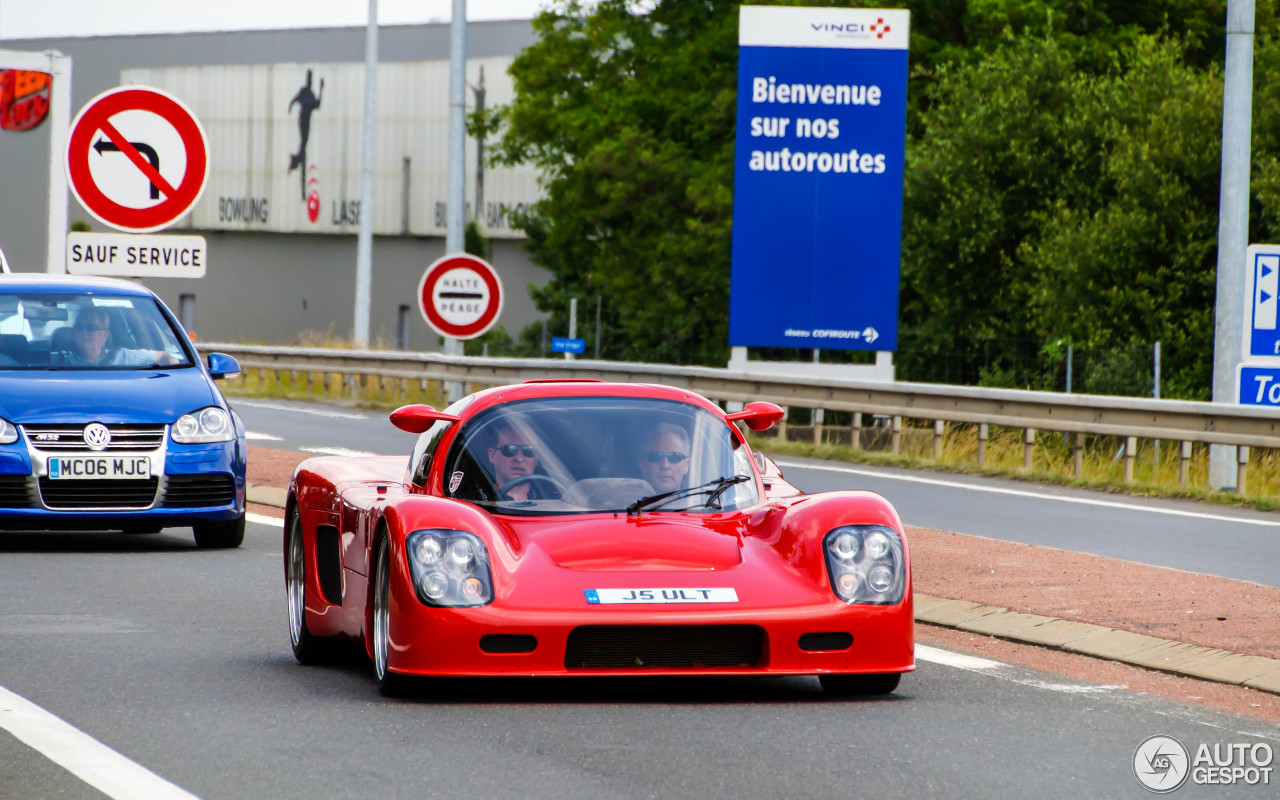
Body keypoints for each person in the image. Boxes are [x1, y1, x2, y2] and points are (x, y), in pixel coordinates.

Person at [65, 308, 176, 367]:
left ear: (105, 335)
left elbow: (167, 355)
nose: (84, 332)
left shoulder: (123, 357)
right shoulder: (62, 362)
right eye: (79, 327)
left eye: (91, 328)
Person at [486, 420, 554, 501]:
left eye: (529, 450)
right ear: (492, 455)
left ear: (536, 459)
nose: (519, 459)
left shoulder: (554, 497)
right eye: (510, 450)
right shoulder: (475, 500)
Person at [638, 422, 691, 494]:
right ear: (642, 464)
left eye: (674, 457)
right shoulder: (622, 503)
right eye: (655, 457)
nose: (665, 465)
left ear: (686, 465)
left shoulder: (699, 503)